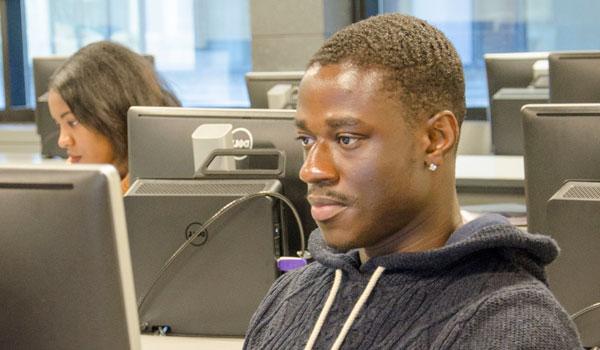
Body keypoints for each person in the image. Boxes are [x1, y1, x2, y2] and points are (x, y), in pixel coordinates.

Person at [243, 13, 582, 349]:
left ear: (435, 139)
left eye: (346, 139)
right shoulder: (290, 295)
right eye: (306, 140)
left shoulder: (515, 328)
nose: (311, 170)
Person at [48, 40, 180, 193]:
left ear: (114, 115)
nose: (62, 141)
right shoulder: (100, 187)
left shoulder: (156, 194)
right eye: (59, 124)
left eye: (73, 122)